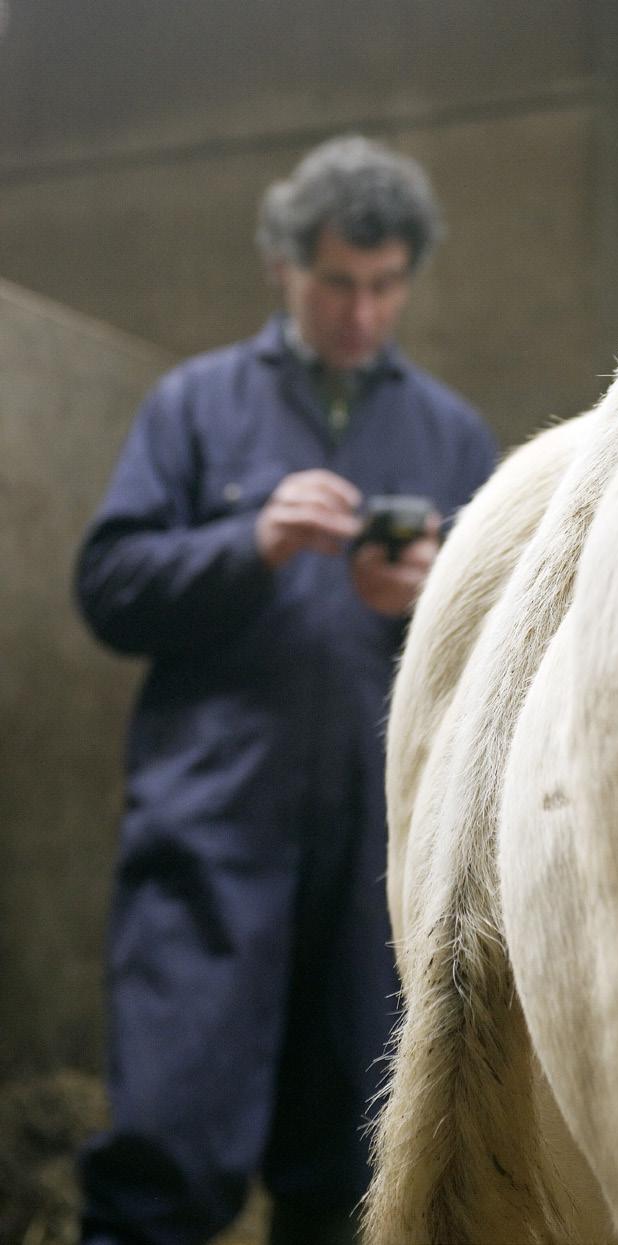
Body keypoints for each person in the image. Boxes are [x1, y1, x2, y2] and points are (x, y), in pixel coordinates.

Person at [74, 135, 497, 1245]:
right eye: (336, 283)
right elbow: (109, 587)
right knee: (168, 1146)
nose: (362, 312)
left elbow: (501, 655)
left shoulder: (453, 436)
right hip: (212, 832)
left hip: (376, 850)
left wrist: (424, 599)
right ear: (283, 267)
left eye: (384, 285)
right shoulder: (196, 406)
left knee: (350, 1171)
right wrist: (247, 544)